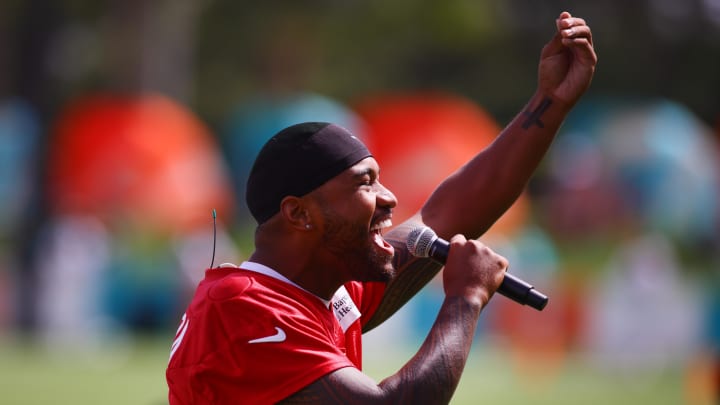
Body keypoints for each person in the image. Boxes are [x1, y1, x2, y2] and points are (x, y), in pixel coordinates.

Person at [166, 10, 596, 404]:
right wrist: (465, 298)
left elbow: (451, 211)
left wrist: (550, 103)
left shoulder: (325, 287)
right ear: (299, 213)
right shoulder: (241, 308)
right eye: (364, 182)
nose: (389, 198)